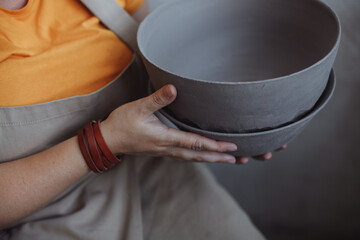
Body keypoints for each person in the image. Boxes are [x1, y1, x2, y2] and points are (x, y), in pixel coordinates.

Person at [0, 0, 286, 239]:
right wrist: (106, 141)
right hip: (44, 214)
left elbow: (157, 64)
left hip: (154, 171)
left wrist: (228, 124)